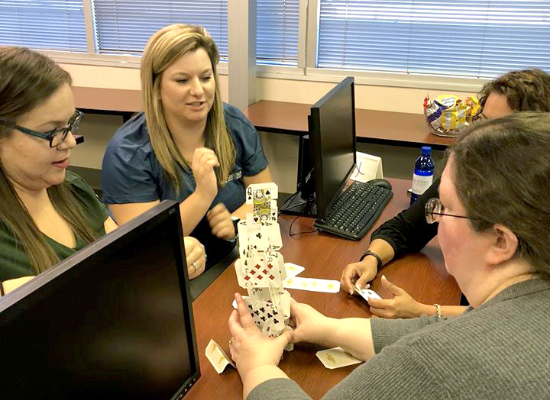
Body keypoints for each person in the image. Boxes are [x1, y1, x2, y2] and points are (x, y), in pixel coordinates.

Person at [228, 113, 550, 399]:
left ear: (500, 242)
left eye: (446, 208)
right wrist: (328, 328)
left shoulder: (442, 359)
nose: (434, 220)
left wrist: (257, 368)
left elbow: (434, 349)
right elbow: (437, 329)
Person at [340, 68, 550, 318]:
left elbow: (517, 314)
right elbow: (406, 229)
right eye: (482, 122)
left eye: (497, 128)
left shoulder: (538, 204)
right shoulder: (470, 172)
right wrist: (371, 259)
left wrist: (423, 312)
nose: (480, 137)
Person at [0, 47, 205, 288]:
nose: (69, 142)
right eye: (51, 132)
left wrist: (173, 256)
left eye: (70, 124)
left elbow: (125, 259)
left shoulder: (75, 191)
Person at [102, 24, 272, 269]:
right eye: (182, 80)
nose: (198, 91)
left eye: (205, 77)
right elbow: (149, 245)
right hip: (169, 273)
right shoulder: (127, 153)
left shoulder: (234, 124)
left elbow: (265, 200)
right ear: (156, 87)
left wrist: (237, 221)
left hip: (233, 257)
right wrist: (203, 195)